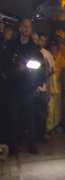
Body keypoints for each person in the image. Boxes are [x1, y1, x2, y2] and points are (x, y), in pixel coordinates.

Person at [0, 17, 46, 155]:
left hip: (27, 88)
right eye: (24, 26)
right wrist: (16, 68)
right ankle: (13, 145)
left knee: (30, 116)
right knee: (13, 117)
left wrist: (35, 79)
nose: (27, 29)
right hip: (14, 88)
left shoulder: (34, 48)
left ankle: (32, 144)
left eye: (29, 26)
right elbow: (5, 66)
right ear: (20, 29)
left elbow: (40, 67)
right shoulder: (12, 46)